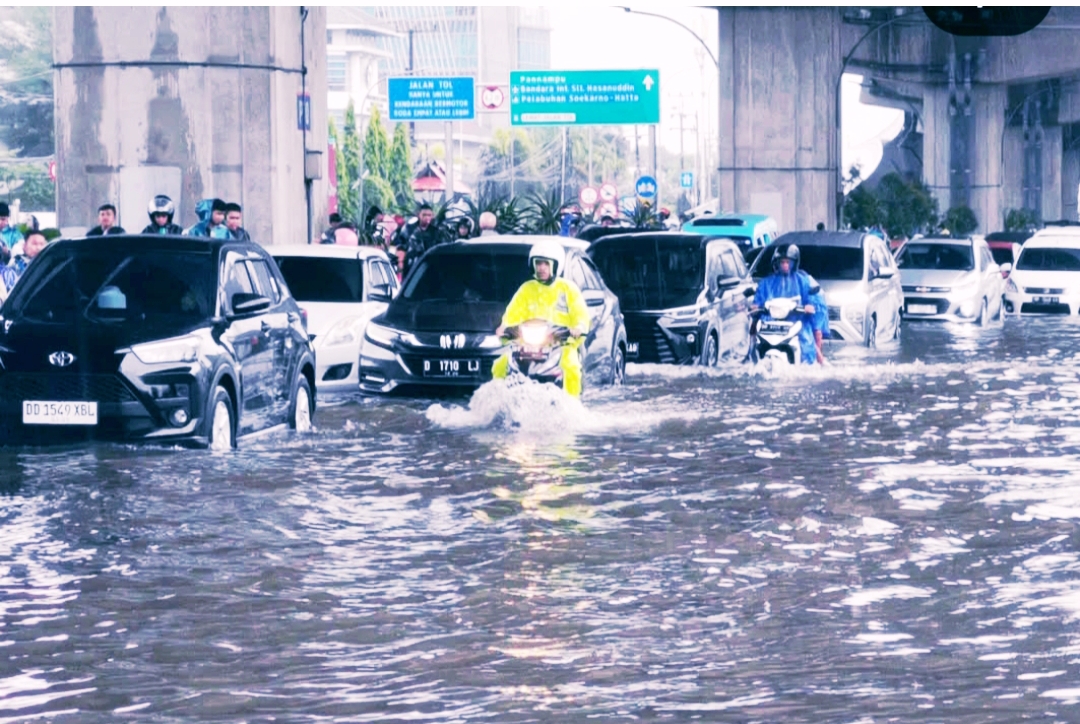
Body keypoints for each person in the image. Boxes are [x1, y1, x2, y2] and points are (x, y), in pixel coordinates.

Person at [492, 239, 590, 398]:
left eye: (546, 263)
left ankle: (572, 404)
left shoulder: (568, 289)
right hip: (527, 346)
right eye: (538, 263)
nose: (541, 268)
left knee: (571, 366)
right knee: (501, 363)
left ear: (555, 266)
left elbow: (581, 315)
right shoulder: (526, 289)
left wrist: (578, 328)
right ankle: (498, 402)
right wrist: (504, 328)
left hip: (560, 345)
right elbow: (512, 314)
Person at [750, 244, 820, 365]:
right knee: (754, 346)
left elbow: (811, 301)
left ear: (794, 263)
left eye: (788, 262)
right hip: (771, 325)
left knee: (806, 345)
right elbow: (757, 302)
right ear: (776, 263)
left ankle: (805, 365)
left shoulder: (803, 281)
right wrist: (755, 307)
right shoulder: (766, 283)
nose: (785, 265)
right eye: (782, 262)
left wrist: (809, 307)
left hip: (796, 325)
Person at [0, 228, 47, 300]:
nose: (38, 248)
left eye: (42, 244)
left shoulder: (48, 264)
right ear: (24, 246)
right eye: (34, 244)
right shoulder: (15, 262)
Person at [402, 203, 443, 278]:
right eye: (424, 215)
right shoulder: (409, 229)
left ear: (432, 216)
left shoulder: (436, 232)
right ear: (418, 215)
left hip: (430, 268)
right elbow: (401, 246)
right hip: (411, 268)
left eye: (429, 215)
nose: (427, 217)